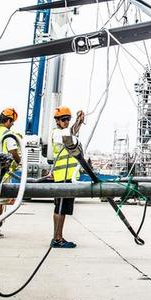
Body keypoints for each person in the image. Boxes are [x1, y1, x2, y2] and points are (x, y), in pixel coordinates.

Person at [48, 106, 86, 249]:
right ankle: (57, 239)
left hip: (69, 177)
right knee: (60, 209)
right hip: (62, 177)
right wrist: (78, 122)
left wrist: (79, 122)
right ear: (57, 121)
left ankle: (58, 237)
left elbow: (72, 132)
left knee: (62, 209)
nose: (66, 122)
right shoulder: (57, 134)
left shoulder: (64, 132)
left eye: (68, 119)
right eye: (63, 119)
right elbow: (69, 135)